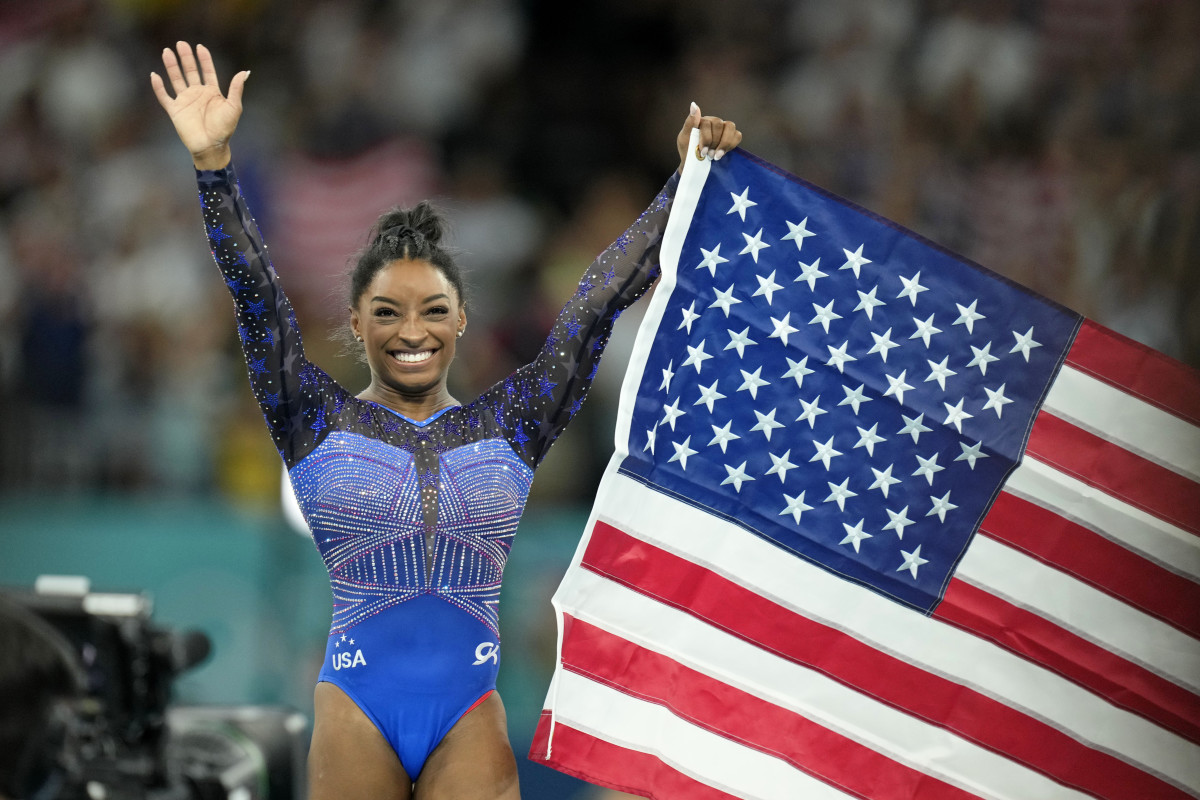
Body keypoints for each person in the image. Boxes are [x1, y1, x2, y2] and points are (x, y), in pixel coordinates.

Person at [150, 41, 741, 800]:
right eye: (387, 313)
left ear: (462, 320)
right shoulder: (314, 420)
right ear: (356, 325)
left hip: (469, 711)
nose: (412, 330)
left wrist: (683, 184)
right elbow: (257, 296)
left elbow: (595, 308)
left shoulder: (512, 424)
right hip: (356, 706)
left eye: (433, 310)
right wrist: (214, 169)